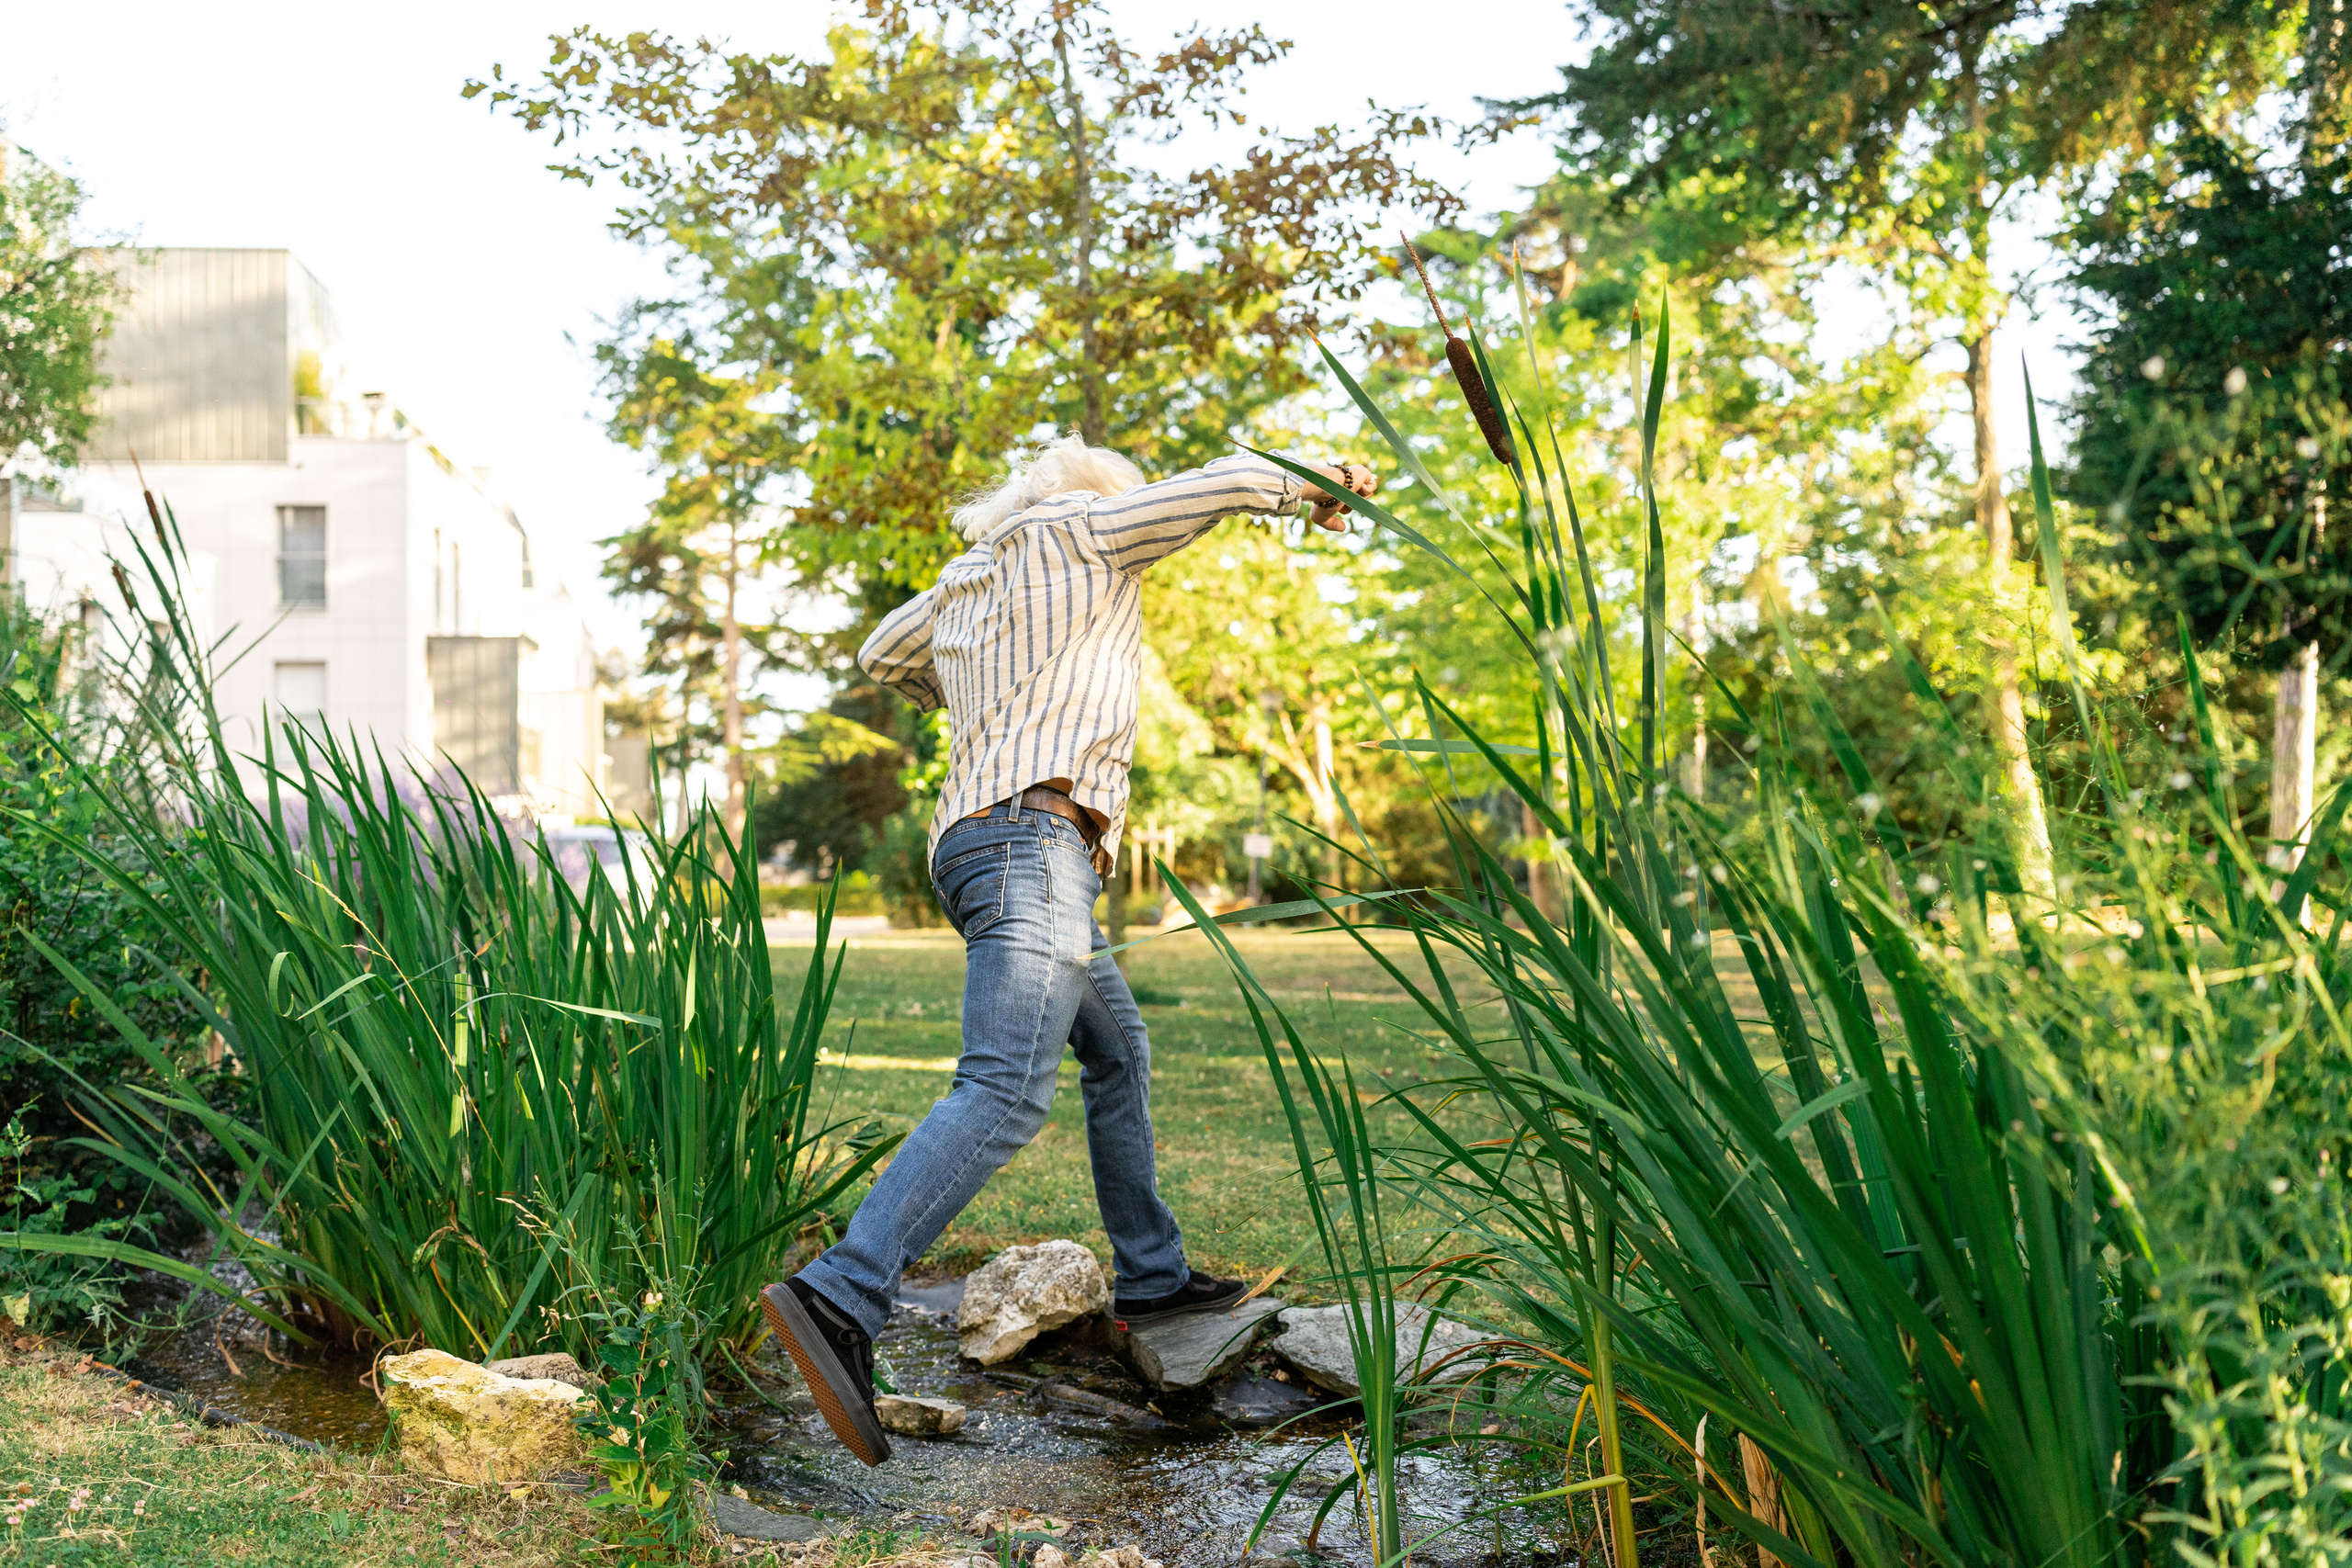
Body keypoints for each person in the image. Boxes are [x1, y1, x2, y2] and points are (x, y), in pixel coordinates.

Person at [757, 437, 1378, 1465]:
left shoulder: (975, 578)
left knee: (1117, 1049)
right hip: (1033, 844)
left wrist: (976, 673)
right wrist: (1312, 484)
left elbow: (879, 653)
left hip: (981, 845)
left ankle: (1152, 1273)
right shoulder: (1083, 533)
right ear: (1101, 498)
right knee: (1004, 1086)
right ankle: (841, 1294)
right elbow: (1223, 479)